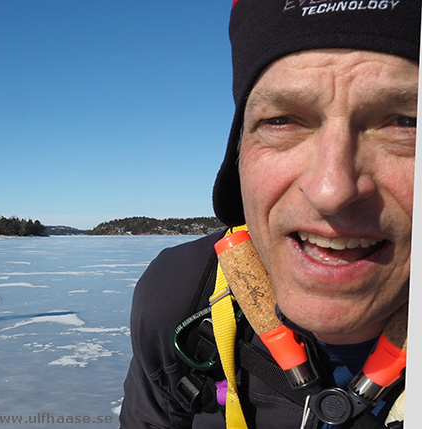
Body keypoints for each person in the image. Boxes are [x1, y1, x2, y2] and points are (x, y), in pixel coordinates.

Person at [120, 1, 418, 428]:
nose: (331, 191)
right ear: (238, 154)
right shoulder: (181, 298)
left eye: (405, 122)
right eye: (281, 120)